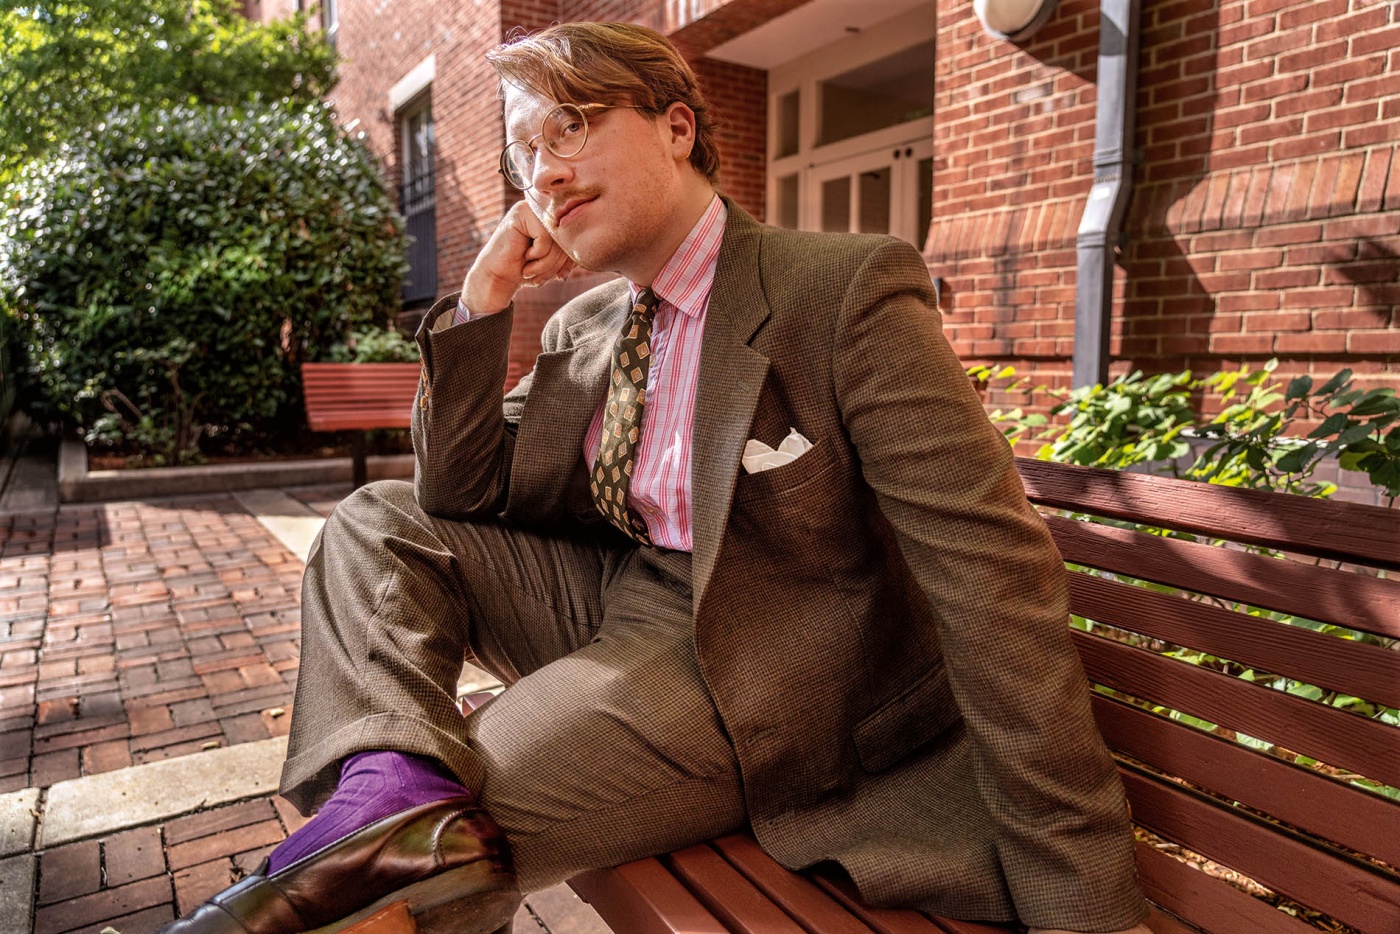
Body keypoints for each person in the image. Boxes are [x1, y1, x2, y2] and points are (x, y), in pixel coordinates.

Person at [163, 21, 1151, 934]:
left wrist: (1084, 901)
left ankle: (339, 859)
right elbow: (454, 492)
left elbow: (990, 586)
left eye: (573, 128)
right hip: (622, 608)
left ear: (676, 127)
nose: (543, 173)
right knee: (374, 523)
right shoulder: (587, 328)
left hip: (766, 669)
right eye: (523, 154)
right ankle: (386, 782)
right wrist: (483, 298)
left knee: (450, 841)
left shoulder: (839, 291)